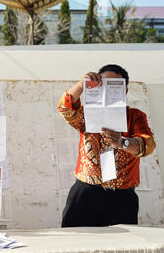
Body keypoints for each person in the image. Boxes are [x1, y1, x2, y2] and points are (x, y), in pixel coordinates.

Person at [57, 64, 156, 227]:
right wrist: (81, 85)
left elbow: (147, 145)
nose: (106, 91)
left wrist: (123, 142)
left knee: (121, 249)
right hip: (86, 193)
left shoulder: (134, 116)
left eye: (114, 86)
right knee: (78, 245)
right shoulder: (86, 114)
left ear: (125, 90)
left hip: (122, 196)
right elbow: (64, 108)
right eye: (102, 85)